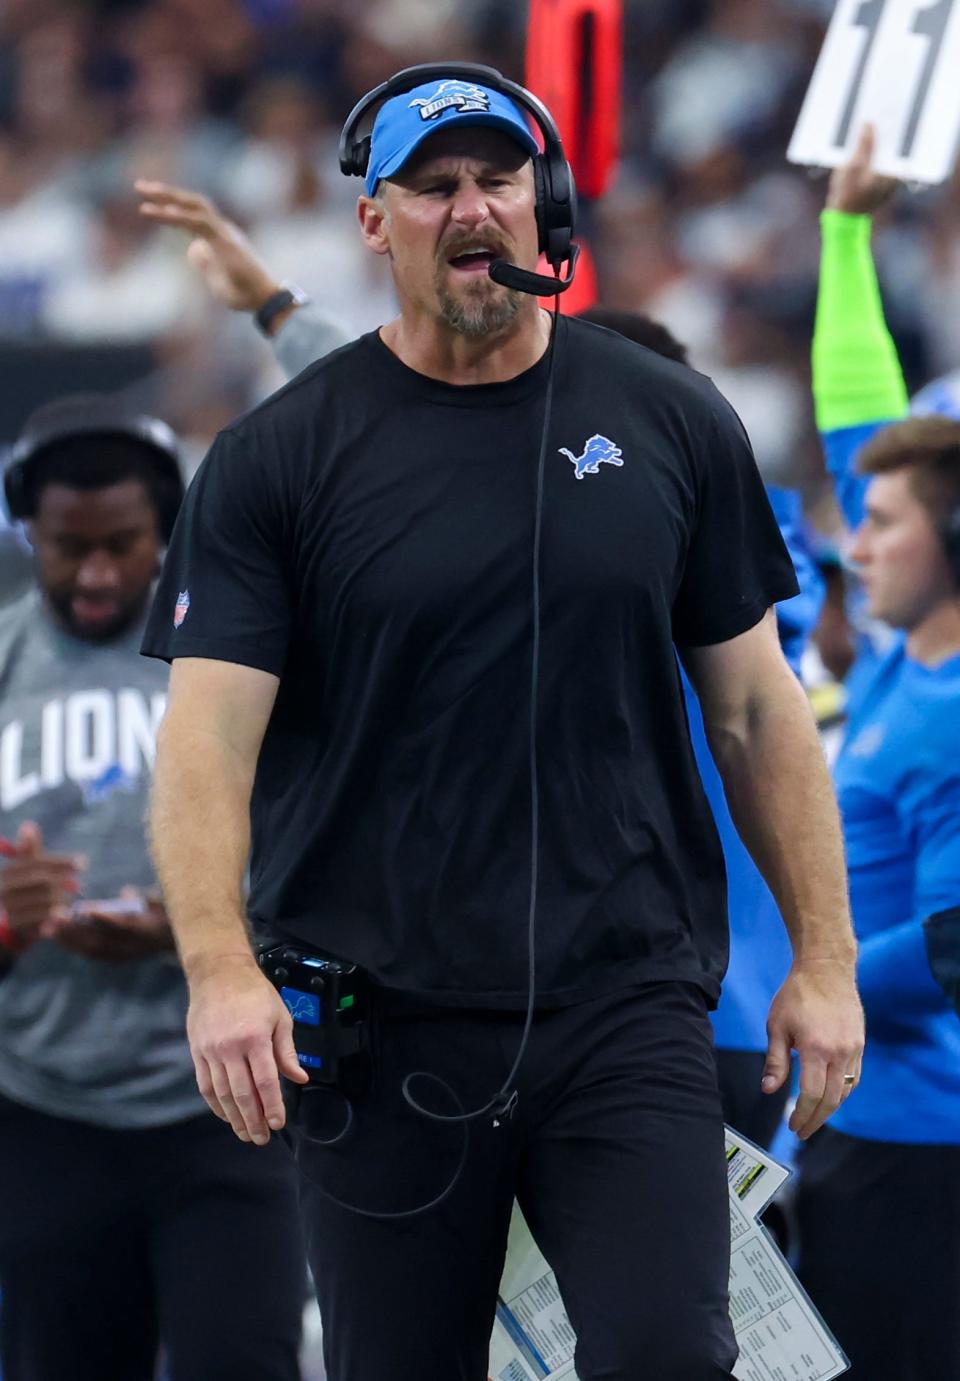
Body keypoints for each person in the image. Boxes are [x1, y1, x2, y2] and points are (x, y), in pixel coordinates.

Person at [143, 67, 863, 1381]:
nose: (474, 206)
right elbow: (205, 745)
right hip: (384, 1019)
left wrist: (827, 958)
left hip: (624, 1003)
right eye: (434, 186)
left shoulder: (670, 420)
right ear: (377, 222)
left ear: (548, 203)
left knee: (669, 1355)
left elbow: (760, 710)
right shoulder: (279, 458)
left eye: (499, 177)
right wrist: (216, 969)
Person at [0, 395, 305, 1381]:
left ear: (168, 530)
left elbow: (316, 848)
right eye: (65, 547)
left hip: (226, 1098)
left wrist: (197, 925)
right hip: (41, 1104)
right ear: (27, 533)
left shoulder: (234, 656)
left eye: (123, 544)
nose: (94, 573)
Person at [794, 126, 960, 1380]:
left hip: (927, 1144)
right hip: (872, 1115)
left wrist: (826, 977)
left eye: (885, 526)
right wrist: (847, 238)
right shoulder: (910, 655)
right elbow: (865, 427)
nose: (856, 539)